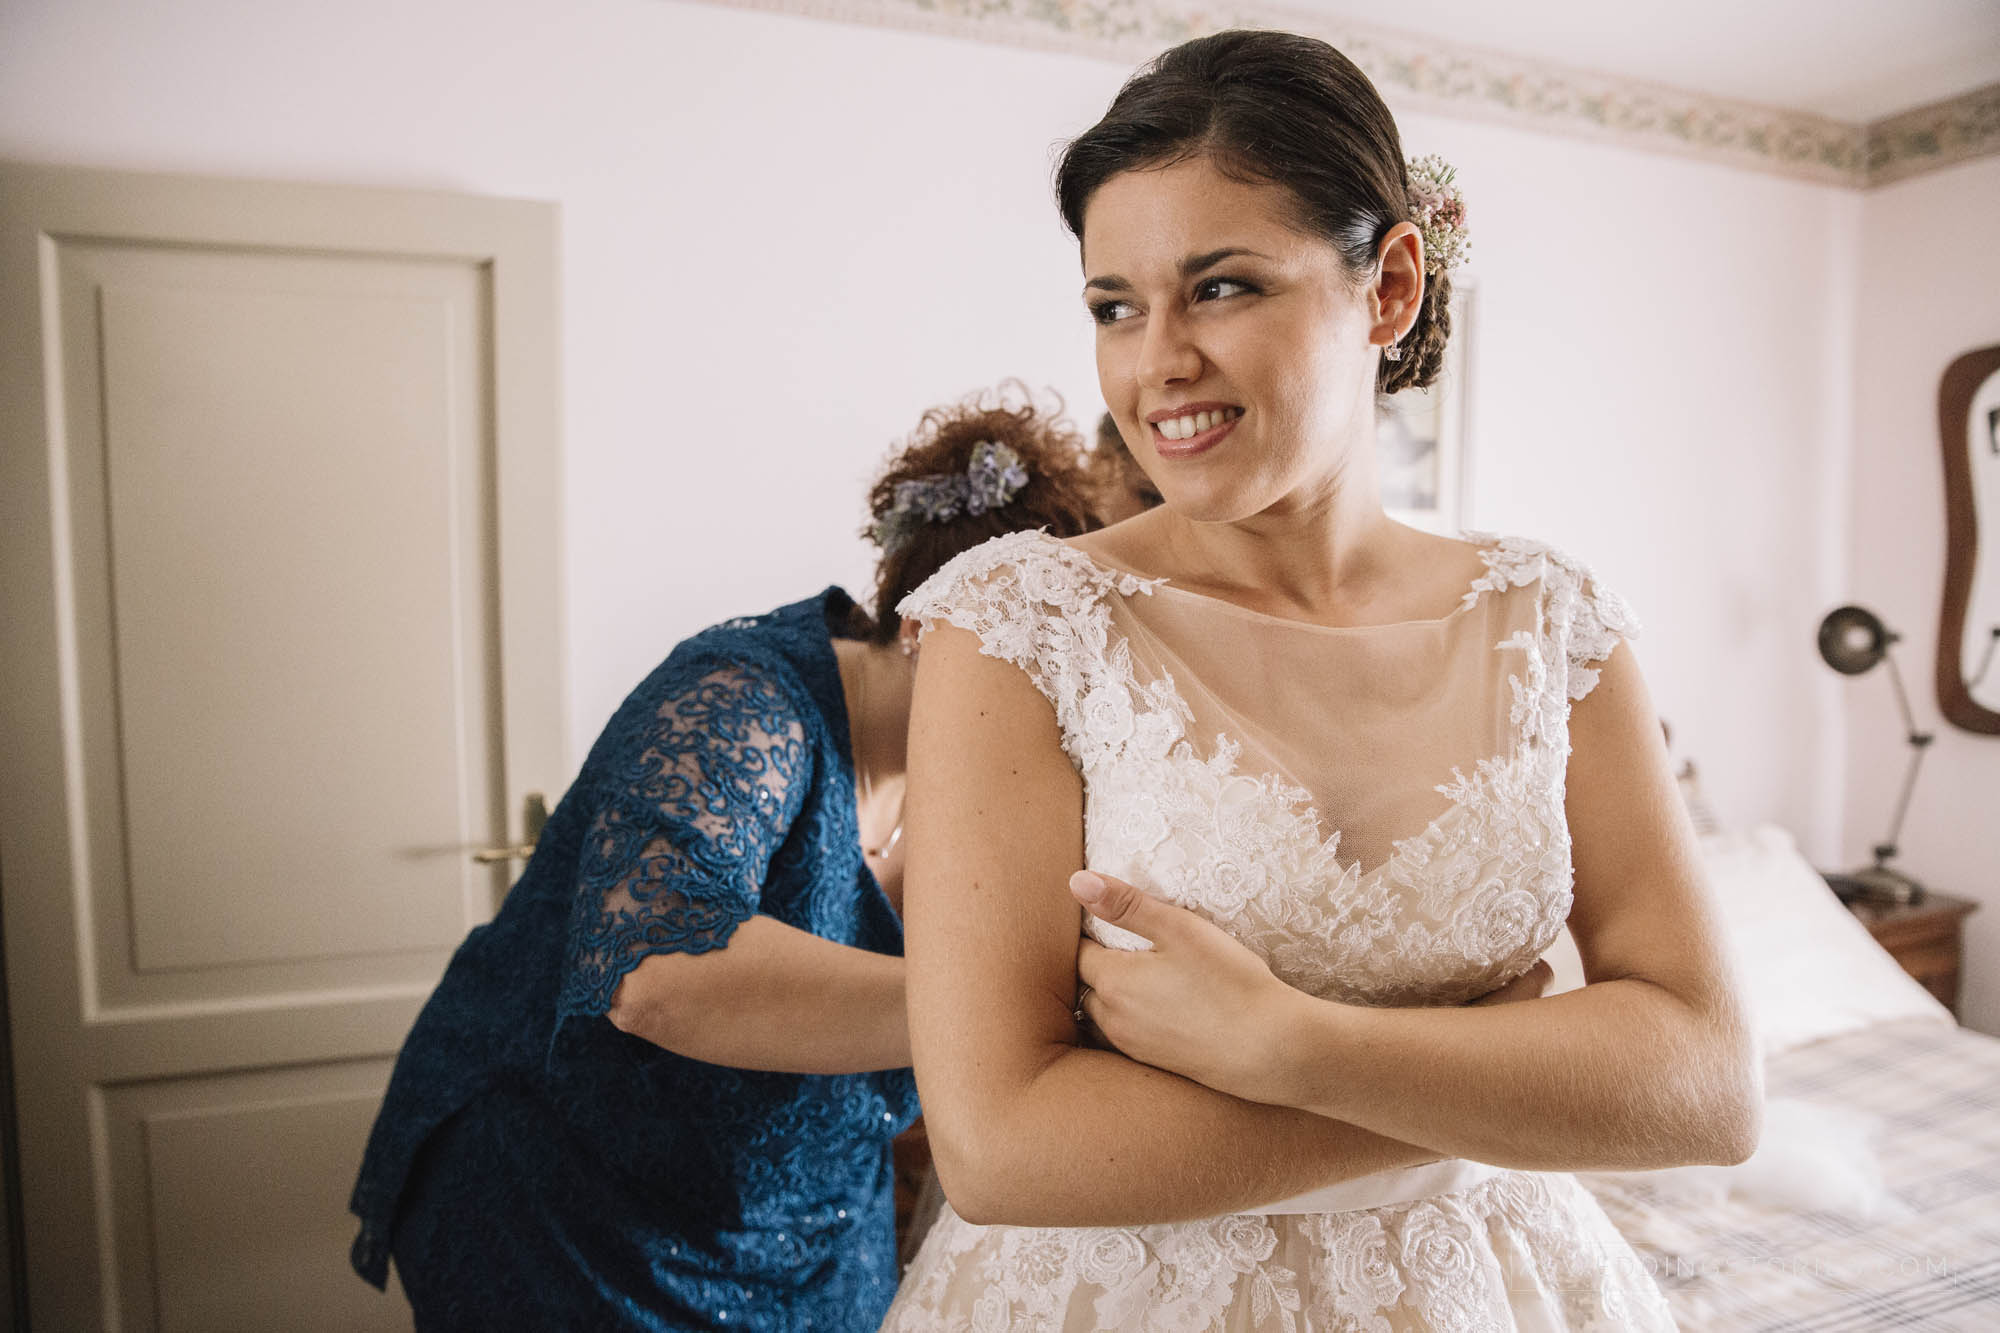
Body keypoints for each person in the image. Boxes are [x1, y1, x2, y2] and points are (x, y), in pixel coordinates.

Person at [882, 30, 1759, 1331]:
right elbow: (1005, 1147)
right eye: (1114, 306)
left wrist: (1292, 1046)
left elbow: (1708, 1087)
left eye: (1222, 288)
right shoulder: (1017, 628)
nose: (1155, 363)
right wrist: (1487, 1074)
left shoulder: (1551, 621)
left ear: (1390, 286)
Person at [347, 389, 1102, 1330]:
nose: (1063, 719)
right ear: (923, 632)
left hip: (806, 1236)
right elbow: (656, 970)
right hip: (569, 1216)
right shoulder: (746, 704)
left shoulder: (990, 774)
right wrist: (1007, 1005)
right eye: (1040, 677)